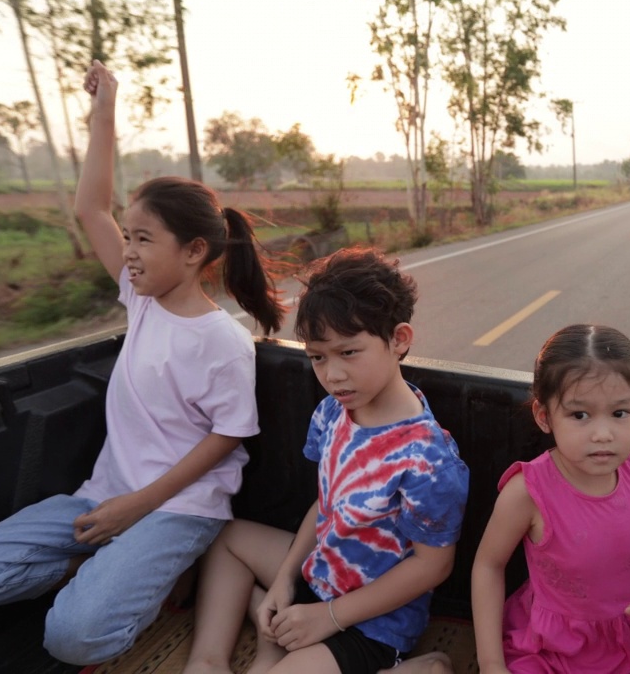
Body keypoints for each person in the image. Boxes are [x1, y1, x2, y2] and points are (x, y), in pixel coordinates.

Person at [0, 60, 287, 665]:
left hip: (176, 510)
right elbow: (91, 208)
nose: (130, 252)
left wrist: (136, 508)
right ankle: (105, 567)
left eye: (145, 239)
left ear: (194, 251)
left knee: (73, 637)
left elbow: (228, 435)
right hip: (103, 498)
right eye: (130, 237)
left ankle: (159, 573)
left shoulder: (222, 340)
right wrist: (105, 108)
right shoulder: (141, 301)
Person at [183, 246, 469, 674]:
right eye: (318, 356)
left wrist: (328, 617)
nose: (332, 374)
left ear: (399, 340)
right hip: (320, 574)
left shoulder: (427, 459)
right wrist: (284, 579)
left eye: (348, 352)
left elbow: (433, 565)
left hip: (371, 622)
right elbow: (326, 504)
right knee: (225, 538)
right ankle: (207, 661)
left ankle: (418, 668)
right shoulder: (334, 412)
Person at [471, 324, 630, 674]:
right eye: (579, 415)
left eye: (620, 413)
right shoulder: (528, 491)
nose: (603, 434)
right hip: (547, 651)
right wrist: (491, 664)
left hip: (625, 645)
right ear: (544, 416)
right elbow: (488, 566)